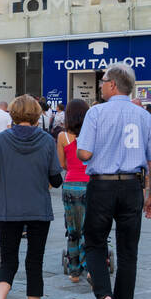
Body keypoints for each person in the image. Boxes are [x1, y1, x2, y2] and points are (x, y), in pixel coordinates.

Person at [76, 63, 151, 299]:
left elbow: (85, 154)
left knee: (94, 242)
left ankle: (104, 295)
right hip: (131, 186)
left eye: (102, 81)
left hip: (101, 185)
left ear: (113, 84)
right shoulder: (145, 116)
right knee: (128, 252)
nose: (100, 85)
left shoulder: (96, 113)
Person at [0, 95, 61, 299]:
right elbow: (55, 180)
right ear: (37, 114)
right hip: (38, 208)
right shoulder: (47, 141)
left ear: (14, 114)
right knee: (34, 263)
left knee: (8, 261)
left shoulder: (2, 140)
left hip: (9, 208)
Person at [57, 99, 90, 283]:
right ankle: (90, 266)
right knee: (89, 227)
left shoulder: (63, 137)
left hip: (70, 185)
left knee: (72, 229)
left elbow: (62, 164)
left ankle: (74, 271)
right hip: (90, 184)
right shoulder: (92, 134)